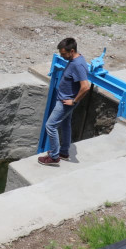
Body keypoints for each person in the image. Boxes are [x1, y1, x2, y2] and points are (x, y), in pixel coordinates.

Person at [38, 37, 91, 166]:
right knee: (65, 124)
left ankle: (54, 156)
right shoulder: (75, 59)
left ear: (72, 51)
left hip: (65, 102)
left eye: (63, 54)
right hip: (65, 100)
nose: (62, 56)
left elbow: (86, 86)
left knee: (50, 126)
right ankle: (64, 152)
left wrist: (73, 101)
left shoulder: (78, 64)